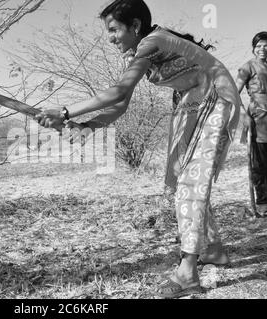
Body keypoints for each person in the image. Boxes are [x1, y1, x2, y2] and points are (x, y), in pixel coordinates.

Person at [35, 0, 240, 298]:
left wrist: (65, 112)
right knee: (180, 179)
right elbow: (121, 103)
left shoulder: (154, 41)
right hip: (191, 100)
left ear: (135, 26)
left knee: (191, 182)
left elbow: (118, 91)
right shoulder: (142, 50)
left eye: (114, 29)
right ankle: (214, 249)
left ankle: (187, 274)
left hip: (215, 97)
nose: (111, 37)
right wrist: (88, 126)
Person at [235, 31, 267, 217]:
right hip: (258, 117)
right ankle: (262, 203)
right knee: (260, 163)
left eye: (266, 45)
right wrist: (243, 115)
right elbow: (234, 91)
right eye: (258, 46)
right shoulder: (247, 66)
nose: (262, 49)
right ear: (253, 48)